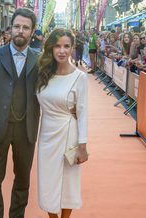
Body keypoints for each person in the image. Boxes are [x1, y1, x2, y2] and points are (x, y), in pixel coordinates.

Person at [0, 7, 40, 218]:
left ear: (32, 31)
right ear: (10, 28)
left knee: (22, 180)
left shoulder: (40, 59)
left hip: (26, 128)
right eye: (17, 26)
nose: (20, 31)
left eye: (25, 27)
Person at [36, 28, 88, 218]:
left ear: (72, 48)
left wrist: (83, 146)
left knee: (68, 183)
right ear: (50, 48)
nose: (61, 51)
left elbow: (83, 114)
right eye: (57, 46)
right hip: (46, 136)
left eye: (66, 46)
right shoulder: (43, 73)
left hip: (69, 134)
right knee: (47, 181)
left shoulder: (80, 77)